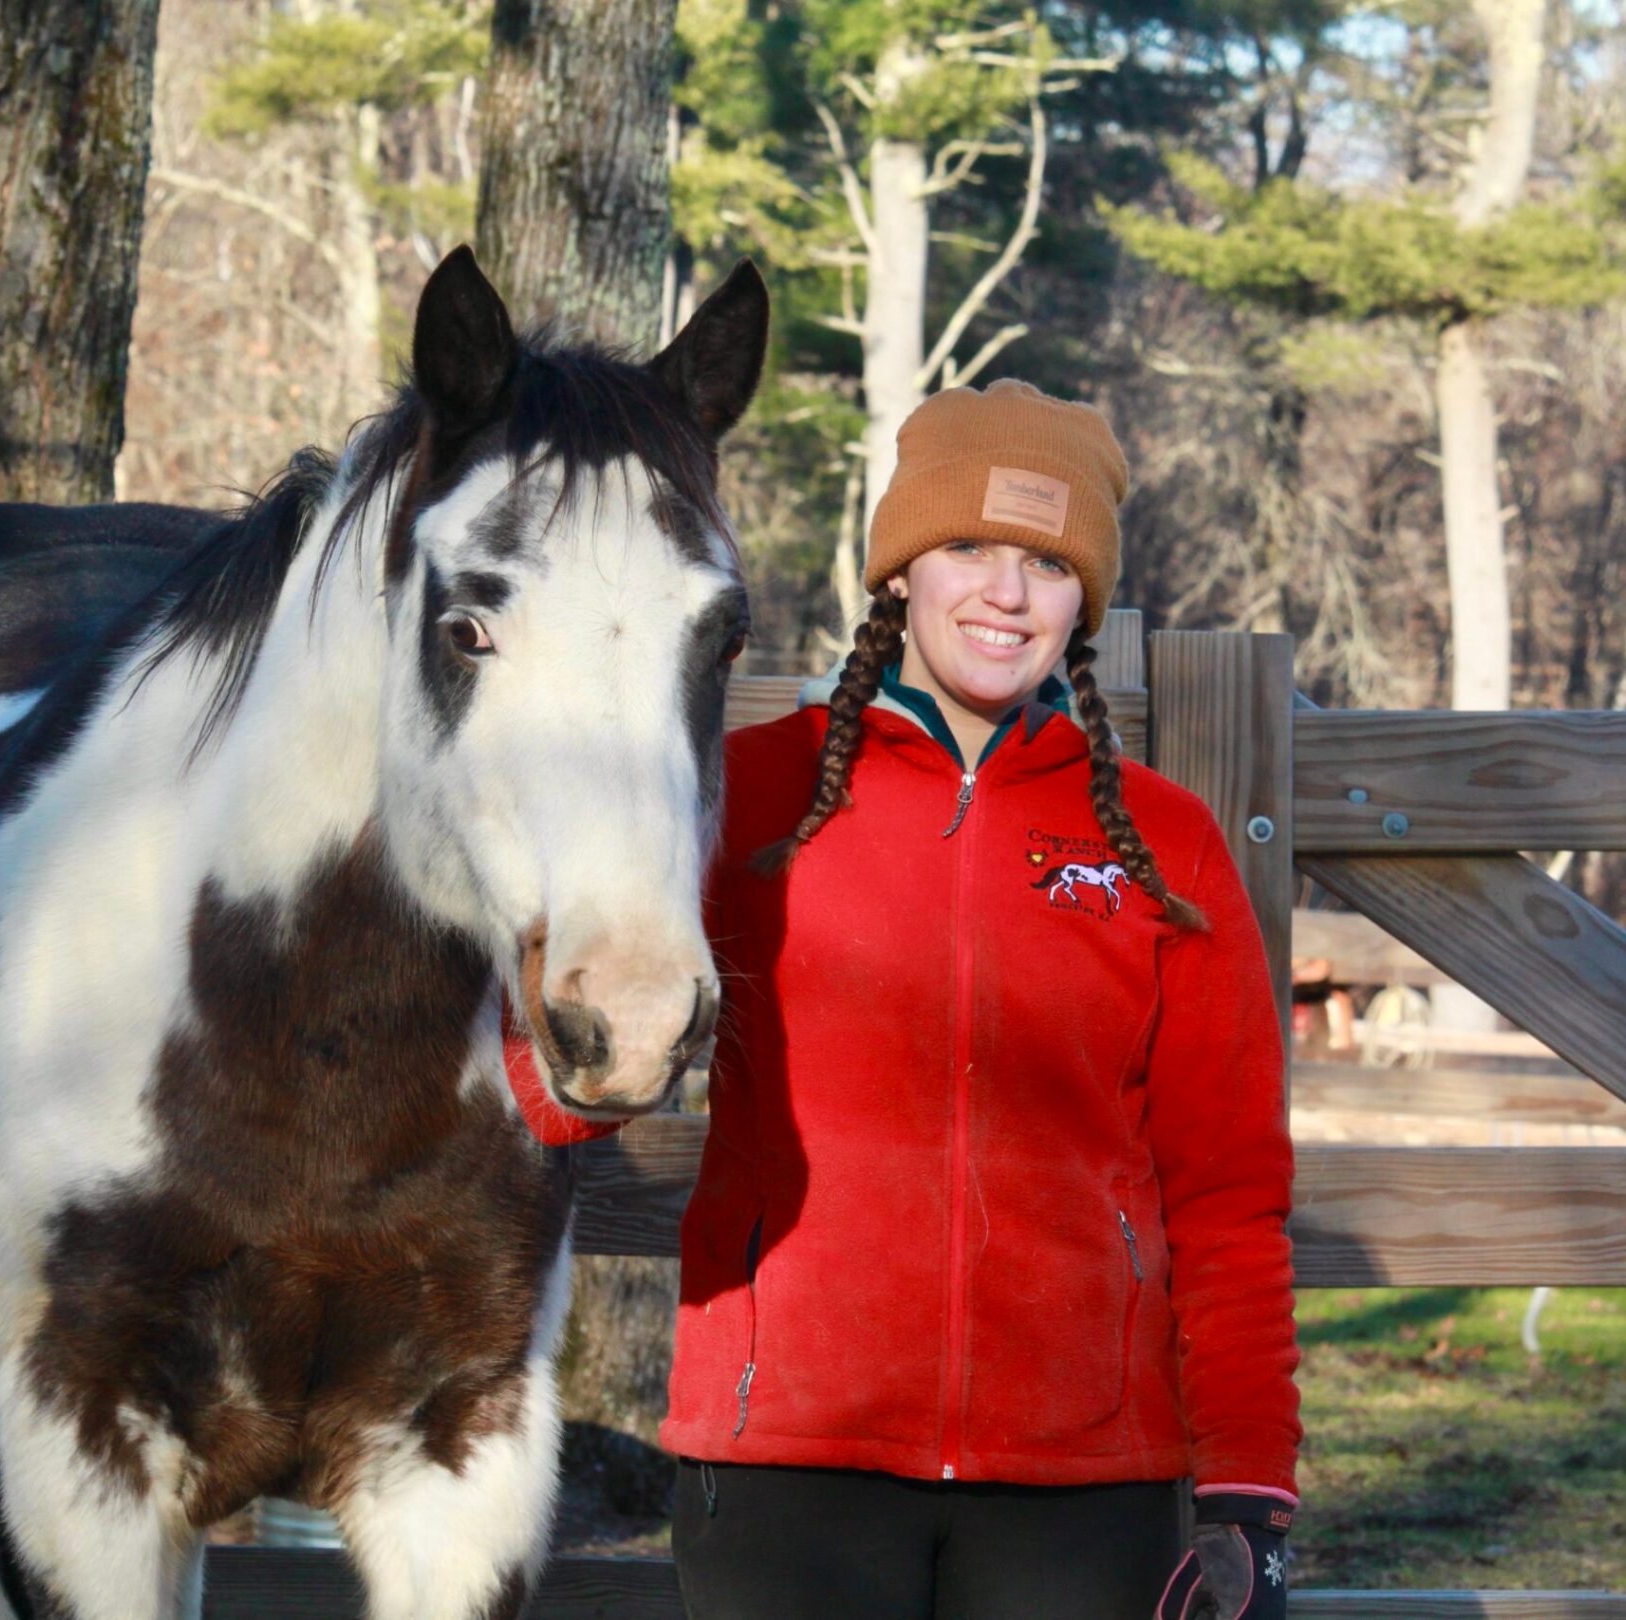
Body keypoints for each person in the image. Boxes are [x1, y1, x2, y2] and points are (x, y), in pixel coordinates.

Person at [519, 379, 1302, 1619]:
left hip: (1083, 1481)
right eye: (970, 548)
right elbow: (555, 1090)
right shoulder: (742, 799)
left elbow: (1228, 1193)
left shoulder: (1164, 848)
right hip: (787, 1458)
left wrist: (1250, 1488)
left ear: (1084, 603)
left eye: (1049, 563)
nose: (1007, 593)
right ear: (899, 571)